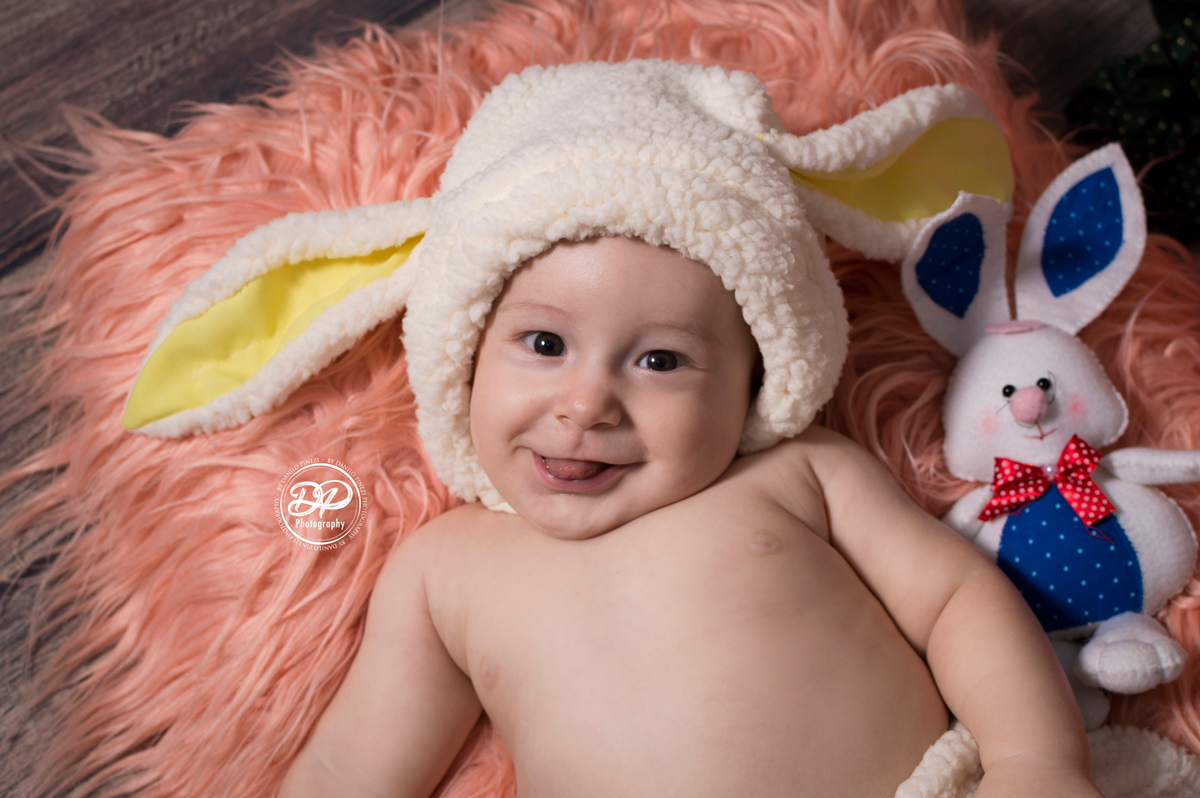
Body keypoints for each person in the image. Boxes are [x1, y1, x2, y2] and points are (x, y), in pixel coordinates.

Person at [124, 60, 1104, 797]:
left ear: (754, 376)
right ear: (462, 355)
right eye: (544, 343)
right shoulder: (442, 570)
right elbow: (351, 765)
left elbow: (959, 604)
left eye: (661, 360)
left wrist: (1036, 761)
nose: (587, 403)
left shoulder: (799, 475)